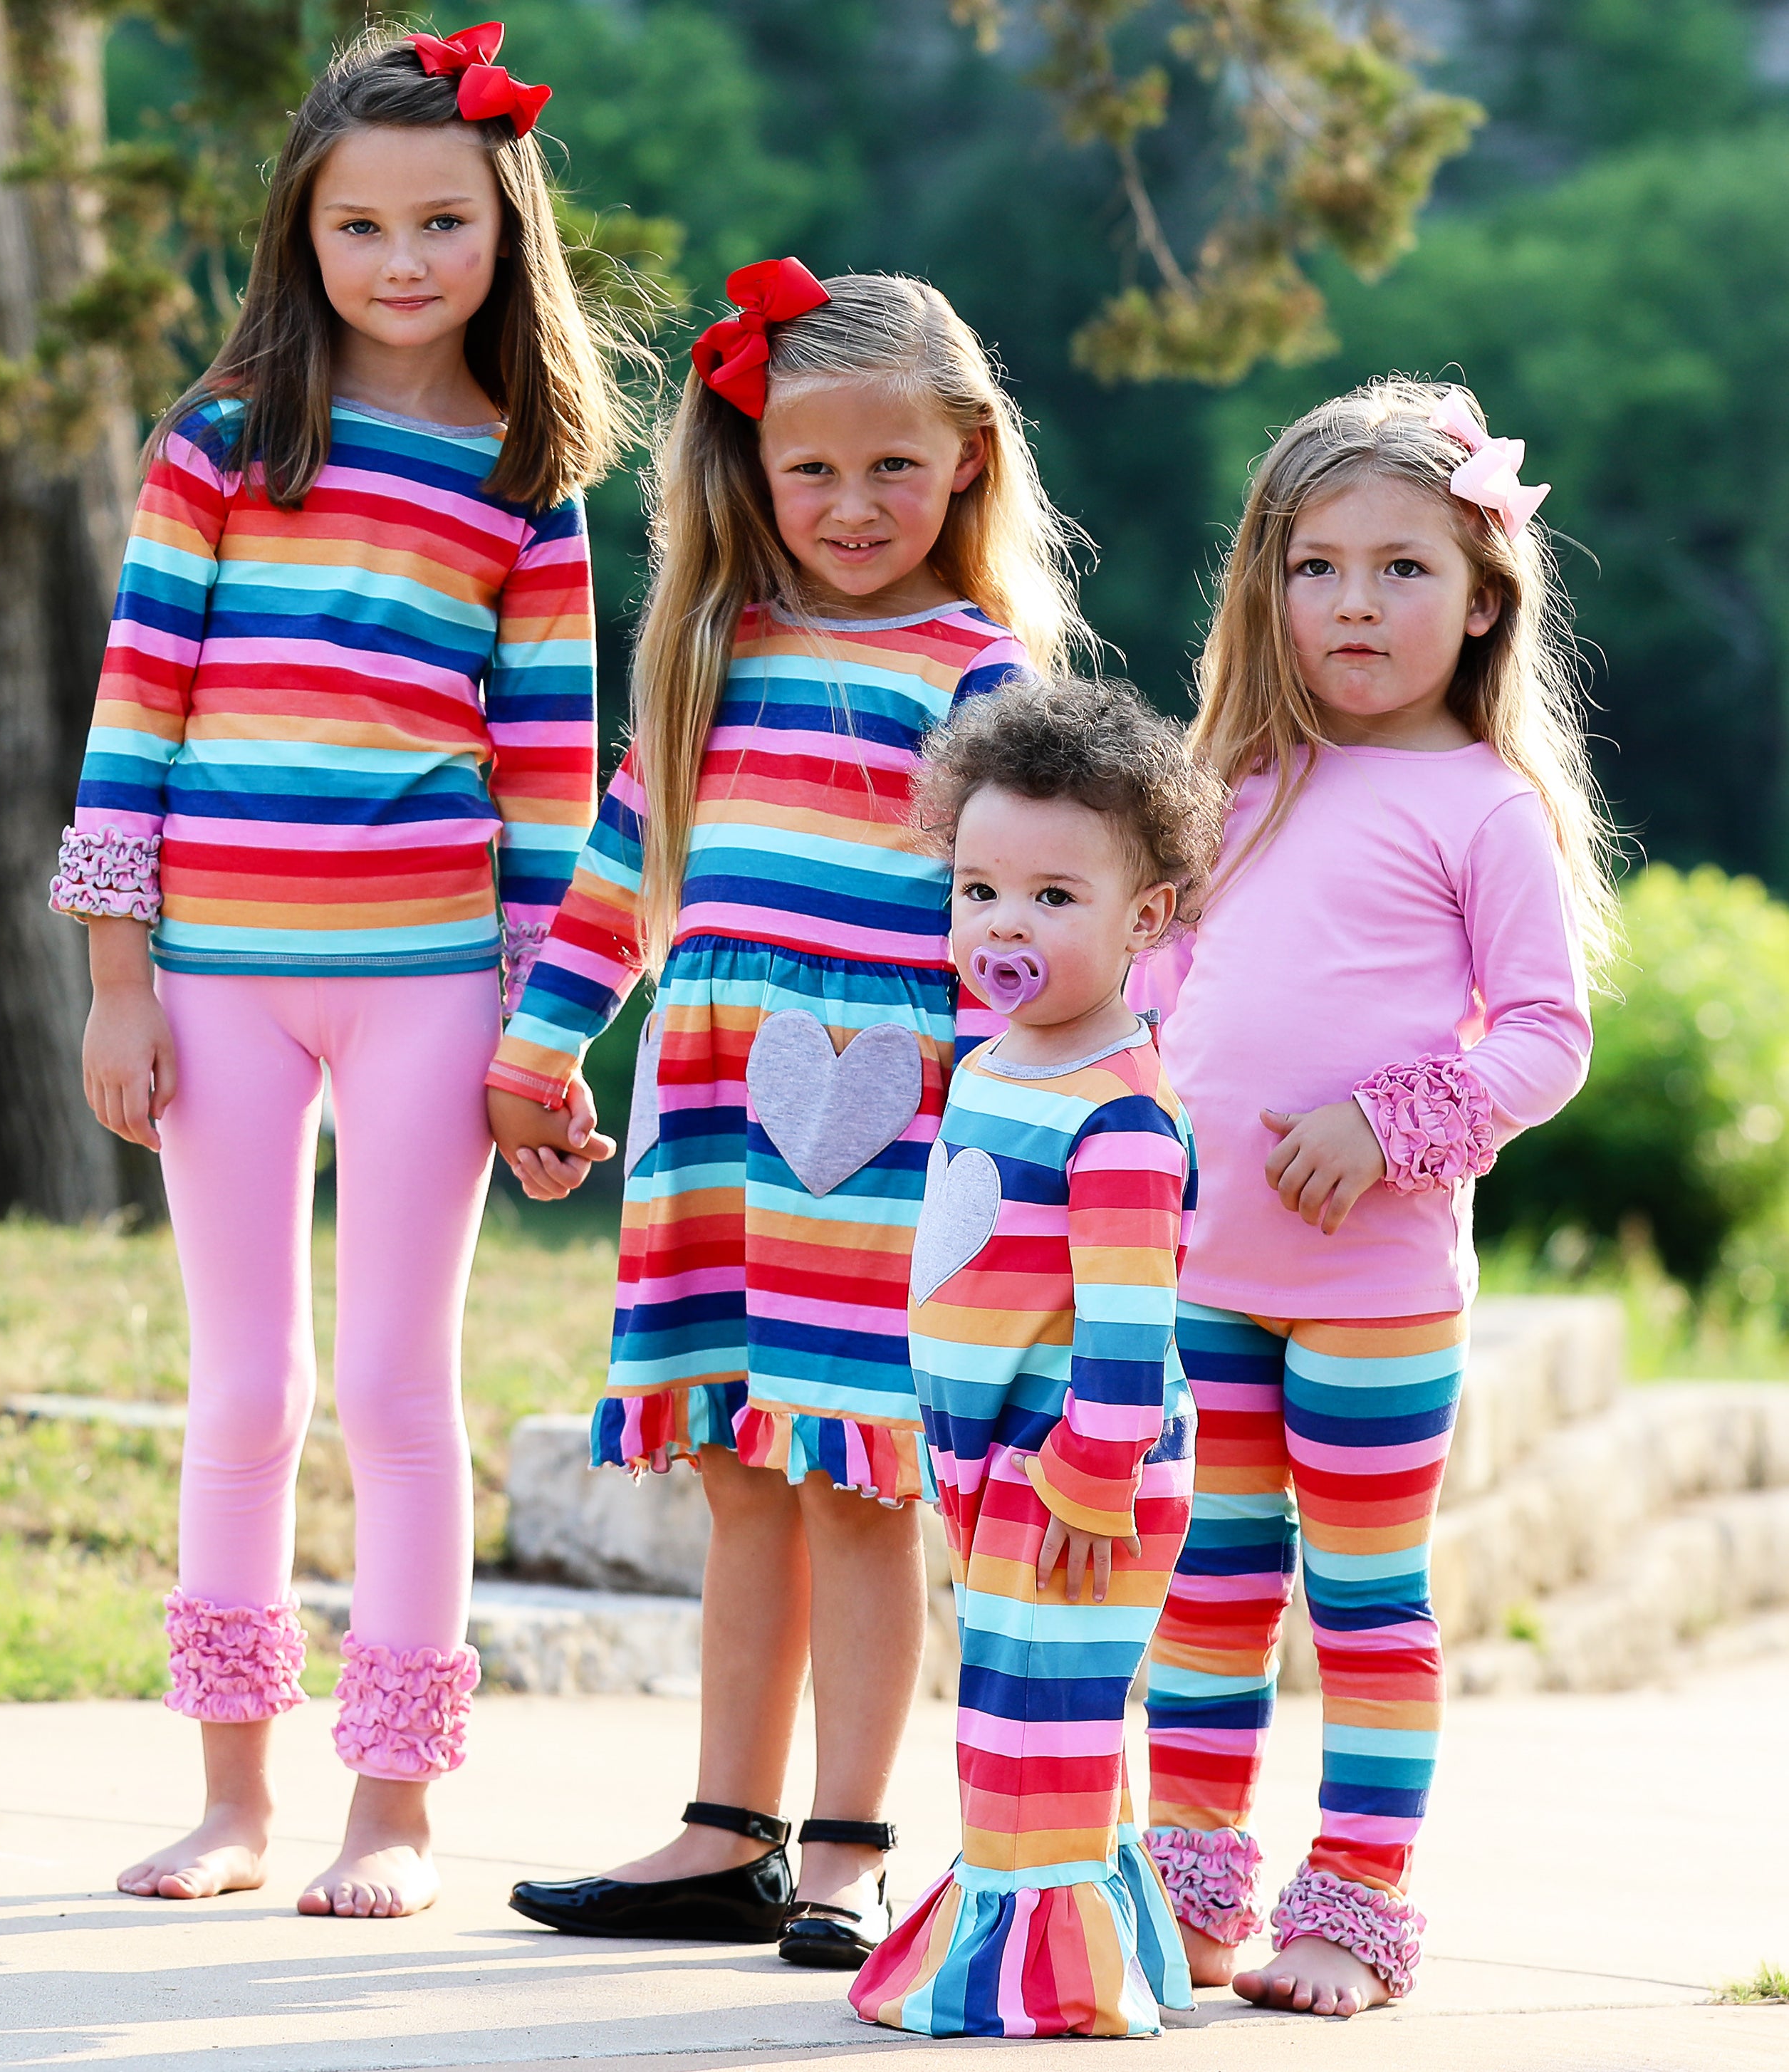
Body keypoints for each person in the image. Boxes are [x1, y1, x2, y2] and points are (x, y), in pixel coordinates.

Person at [48, 21, 624, 1919]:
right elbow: (134, 714)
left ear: (501, 227)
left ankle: (395, 1801)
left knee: (393, 1384)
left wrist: (544, 1038)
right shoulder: (218, 443)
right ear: (301, 234)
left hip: (426, 979)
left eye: (439, 222)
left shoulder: (528, 481)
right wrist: (116, 976)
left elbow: (550, 784)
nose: (397, 261)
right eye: (358, 225)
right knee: (242, 1388)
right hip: (210, 975)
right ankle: (234, 1799)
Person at [486, 263, 1085, 1967]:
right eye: (808, 469)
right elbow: (625, 868)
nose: (849, 506)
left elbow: (1020, 931)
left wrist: (1027, 1138)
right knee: (744, 1470)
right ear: (748, 467)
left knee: (856, 1476)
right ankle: (723, 1830)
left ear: (967, 459)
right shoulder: (712, 647)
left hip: (897, 1125)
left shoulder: (980, 675)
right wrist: (545, 1047)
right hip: (712, 1107)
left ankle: (845, 1851)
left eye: (892, 467)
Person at [1132, 379, 1607, 2014]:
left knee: (1364, 1603)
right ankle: (1192, 1889)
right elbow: (1158, 993)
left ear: (1484, 602)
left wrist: (1391, 1120)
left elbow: (1547, 1039)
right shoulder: (1229, 783)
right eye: (1317, 564)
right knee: (1205, 1585)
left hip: (1378, 1287)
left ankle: (1355, 1903)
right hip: (1199, 1267)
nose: (1355, 602)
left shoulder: (1485, 807)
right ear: (1266, 584)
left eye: (1403, 569)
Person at [848, 676, 1226, 2038]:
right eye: (979, 889)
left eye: (1053, 899)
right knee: (1029, 1719)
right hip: (997, 1463)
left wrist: (1089, 1466)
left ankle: (1041, 1975)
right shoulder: (1000, 1058)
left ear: (1146, 920)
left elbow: (1131, 1319)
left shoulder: (1118, 1111)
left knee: (1030, 1728)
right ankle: (1073, 1950)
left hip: (1073, 1472)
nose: (1004, 924)